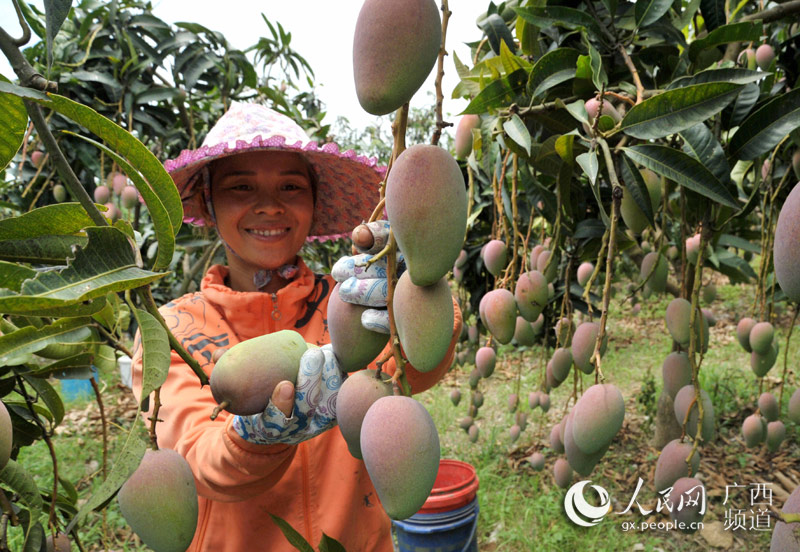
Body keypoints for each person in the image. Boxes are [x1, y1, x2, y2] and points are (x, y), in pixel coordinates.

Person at [130, 102, 462, 552]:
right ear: (209, 202)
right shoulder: (172, 330)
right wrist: (254, 438)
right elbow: (192, 458)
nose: (269, 206)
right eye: (241, 186)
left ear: (312, 201)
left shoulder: (349, 301)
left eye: (290, 186)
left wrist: (414, 286)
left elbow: (417, 366)